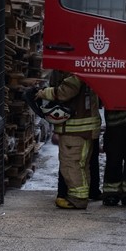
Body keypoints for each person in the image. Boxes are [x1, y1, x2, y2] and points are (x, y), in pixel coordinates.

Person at [36, 70, 100, 209]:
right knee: (82, 165)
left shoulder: (76, 71)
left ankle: (78, 199)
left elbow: (65, 92)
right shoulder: (86, 67)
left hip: (76, 131)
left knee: (71, 164)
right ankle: (81, 195)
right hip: (83, 130)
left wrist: (44, 93)